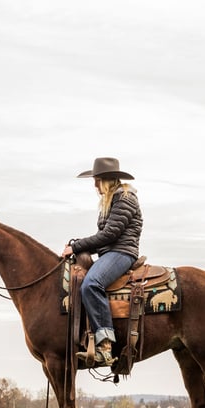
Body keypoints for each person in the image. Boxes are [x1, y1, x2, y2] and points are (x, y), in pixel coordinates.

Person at [61, 157, 143, 366]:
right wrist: (80, 245)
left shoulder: (124, 198)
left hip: (122, 252)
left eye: (97, 180)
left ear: (105, 180)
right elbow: (105, 238)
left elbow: (110, 235)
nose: (94, 184)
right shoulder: (112, 200)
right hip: (111, 251)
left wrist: (76, 246)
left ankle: (105, 345)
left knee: (91, 284)